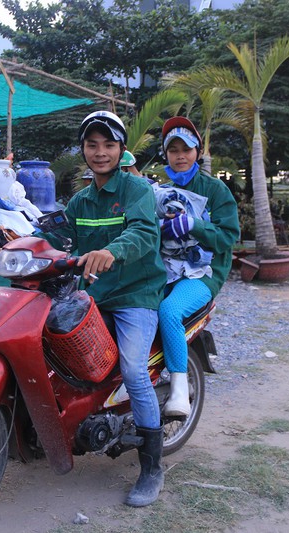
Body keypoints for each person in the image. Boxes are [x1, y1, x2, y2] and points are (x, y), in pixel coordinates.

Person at [42, 110, 167, 507]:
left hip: (136, 295)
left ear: (121, 149)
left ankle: (152, 467)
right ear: (83, 150)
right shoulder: (79, 200)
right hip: (95, 295)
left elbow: (144, 233)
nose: (100, 153)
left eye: (108, 145)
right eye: (92, 145)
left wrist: (111, 252)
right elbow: (64, 240)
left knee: (132, 368)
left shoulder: (136, 190)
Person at [157, 116, 240, 416]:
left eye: (187, 149)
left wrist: (194, 225)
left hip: (203, 274)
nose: (180, 155)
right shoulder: (160, 192)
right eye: (173, 149)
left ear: (197, 152)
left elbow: (229, 236)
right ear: (165, 154)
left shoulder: (216, 191)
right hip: (165, 269)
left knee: (169, 311)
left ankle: (180, 390)